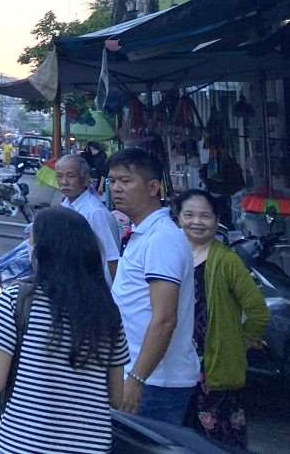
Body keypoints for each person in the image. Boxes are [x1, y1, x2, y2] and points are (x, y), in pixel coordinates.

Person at [0, 206, 130, 454]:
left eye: (32, 239)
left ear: (43, 251)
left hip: (25, 445)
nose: (28, 245)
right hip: (91, 447)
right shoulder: (107, 313)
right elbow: (116, 398)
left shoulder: (18, 300)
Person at [108, 147, 199, 424]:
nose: (116, 188)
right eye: (112, 181)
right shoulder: (141, 233)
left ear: (153, 187)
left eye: (126, 181)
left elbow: (164, 319)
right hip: (139, 374)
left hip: (155, 382)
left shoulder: (162, 238)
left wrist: (136, 378)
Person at [175, 189, 270, 449]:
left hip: (214, 363)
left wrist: (244, 340)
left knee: (220, 435)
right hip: (179, 360)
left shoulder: (227, 260)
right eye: (189, 215)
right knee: (182, 432)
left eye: (205, 216)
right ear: (178, 217)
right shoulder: (172, 255)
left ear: (217, 220)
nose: (197, 222)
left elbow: (258, 309)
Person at [57, 154, 122, 283]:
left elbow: (113, 259)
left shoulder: (94, 212)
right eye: (59, 176)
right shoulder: (65, 206)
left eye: (71, 176)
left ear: (85, 178)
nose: (64, 182)